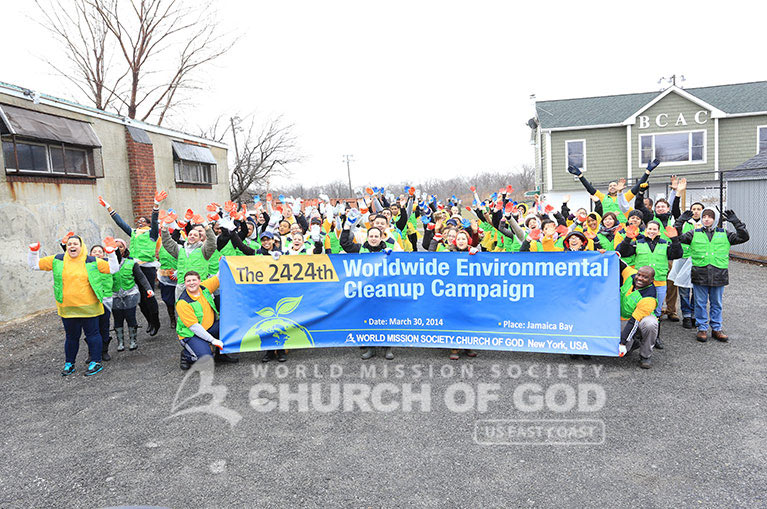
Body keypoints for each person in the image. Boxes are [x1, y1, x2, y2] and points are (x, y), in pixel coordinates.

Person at [28, 234, 118, 376]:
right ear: (66, 247)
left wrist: (111, 253)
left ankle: (96, 361)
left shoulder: (92, 261)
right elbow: (34, 265)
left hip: (90, 307)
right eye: (70, 244)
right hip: (67, 308)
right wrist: (34, 251)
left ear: (82, 247)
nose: (72, 246)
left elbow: (113, 269)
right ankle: (69, 363)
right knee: (71, 337)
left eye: (75, 244)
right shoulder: (58, 260)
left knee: (93, 334)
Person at [674, 207, 749, 342]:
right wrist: (680, 221)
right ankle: (702, 328)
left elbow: (744, 237)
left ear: (716, 219)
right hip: (700, 274)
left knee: (717, 303)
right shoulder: (694, 233)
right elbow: (677, 236)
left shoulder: (725, 233)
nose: (707, 219)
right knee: (700, 303)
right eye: (704, 217)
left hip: (719, 273)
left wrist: (736, 222)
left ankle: (716, 328)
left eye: (710, 217)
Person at [98, 192, 165, 335]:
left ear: (147, 224)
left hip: (147, 267)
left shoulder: (152, 234)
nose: (140, 222)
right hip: (134, 267)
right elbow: (120, 223)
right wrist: (108, 207)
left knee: (149, 296)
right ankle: (149, 321)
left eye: (143, 221)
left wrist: (156, 205)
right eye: (138, 221)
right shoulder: (134, 233)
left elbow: (154, 220)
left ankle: (156, 321)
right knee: (139, 299)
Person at [617, 220, 683, 349]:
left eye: (654, 229)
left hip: (659, 282)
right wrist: (627, 239)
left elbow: (677, 254)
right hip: (642, 284)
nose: (651, 231)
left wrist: (675, 240)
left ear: (658, 231)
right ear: (645, 230)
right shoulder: (638, 243)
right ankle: (635, 335)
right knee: (636, 310)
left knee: (657, 312)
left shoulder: (665, 244)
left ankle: (656, 337)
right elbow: (622, 252)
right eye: (649, 229)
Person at [340, 221, 395, 360]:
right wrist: (347, 227)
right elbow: (345, 244)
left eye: (376, 236)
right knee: (367, 319)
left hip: (384, 292)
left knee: (385, 320)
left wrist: (393, 256)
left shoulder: (390, 249)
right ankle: (370, 347)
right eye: (371, 236)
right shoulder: (360, 249)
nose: (373, 238)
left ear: (381, 237)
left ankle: (387, 347)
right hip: (365, 293)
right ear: (367, 237)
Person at [175, 271, 224, 370]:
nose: (191, 283)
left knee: (227, 325)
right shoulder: (183, 303)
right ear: (185, 283)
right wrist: (213, 340)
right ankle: (187, 355)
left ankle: (221, 355)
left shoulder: (204, 287)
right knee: (207, 359)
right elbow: (194, 327)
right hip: (192, 334)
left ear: (199, 281)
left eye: (194, 280)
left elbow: (218, 277)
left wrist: (223, 262)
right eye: (188, 281)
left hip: (209, 328)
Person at [111, 239, 154, 351]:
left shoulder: (131, 263)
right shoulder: (107, 263)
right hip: (115, 295)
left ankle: (133, 341)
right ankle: (120, 343)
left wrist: (148, 289)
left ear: (124, 248)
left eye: (120, 247)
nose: (117, 249)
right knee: (117, 319)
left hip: (130, 294)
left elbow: (141, 277)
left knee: (130, 317)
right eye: (115, 247)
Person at [619, 263, 659, 369]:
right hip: (621, 318)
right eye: (639, 275)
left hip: (637, 320)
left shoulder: (649, 297)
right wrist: (605, 253)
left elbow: (634, 321)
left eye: (645, 277)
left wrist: (622, 343)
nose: (640, 278)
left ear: (652, 280)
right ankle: (633, 343)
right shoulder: (631, 276)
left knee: (650, 324)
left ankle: (645, 356)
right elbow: (620, 264)